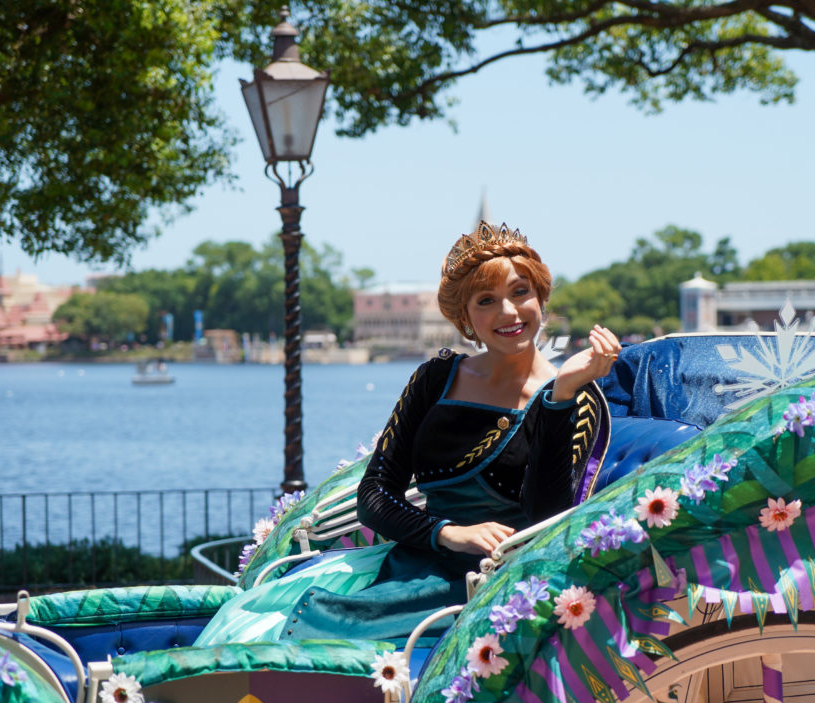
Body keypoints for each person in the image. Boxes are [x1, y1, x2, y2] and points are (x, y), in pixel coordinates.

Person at [194, 221, 619, 647]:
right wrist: (447, 532)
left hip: (492, 584)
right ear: (466, 318)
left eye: (520, 292)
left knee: (320, 637)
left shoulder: (574, 398)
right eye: (486, 300)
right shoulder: (435, 379)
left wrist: (561, 395)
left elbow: (549, 519)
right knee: (263, 623)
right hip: (412, 562)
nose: (508, 312)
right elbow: (375, 497)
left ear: (541, 299)